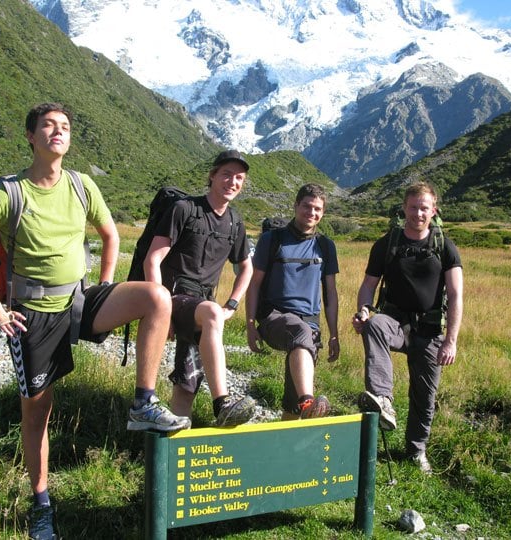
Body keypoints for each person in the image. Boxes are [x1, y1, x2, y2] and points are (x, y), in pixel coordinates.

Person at [0, 103, 189, 540]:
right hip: (30, 313)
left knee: (156, 297)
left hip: (78, 300)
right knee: (38, 411)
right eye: (49, 126)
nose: (58, 132)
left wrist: (107, 283)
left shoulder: (81, 184)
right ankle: (41, 504)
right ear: (31, 137)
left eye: (66, 127)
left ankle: (143, 403)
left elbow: (110, 232)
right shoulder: (7, 193)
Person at [351, 181, 463, 474]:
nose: (417, 213)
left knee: (424, 395)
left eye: (424, 208)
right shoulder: (388, 243)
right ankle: (383, 399)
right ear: (404, 208)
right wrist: (364, 310)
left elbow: (456, 295)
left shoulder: (445, 247)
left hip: (429, 331)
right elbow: (368, 286)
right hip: (395, 323)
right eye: (412, 207)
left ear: (433, 210)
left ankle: (416, 451)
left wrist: (451, 341)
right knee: (374, 325)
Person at [143, 150, 256, 426]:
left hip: (203, 310)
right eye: (226, 174)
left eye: (239, 177)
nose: (232, 181)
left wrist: (232, 304)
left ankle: (175, 448)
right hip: (176, 299)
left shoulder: (235, 222)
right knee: (212, 313)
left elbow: (247, 267)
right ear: (212, 175)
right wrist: (162, 311)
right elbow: (152, 259)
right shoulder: (184, 209)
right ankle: (223, 403)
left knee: (188, 380)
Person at [245, 184, 339, 420]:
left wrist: (334, 335)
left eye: (317, 208)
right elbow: (254, 284)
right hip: (275, 318)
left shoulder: (326, 246)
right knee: (299, 332)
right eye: (307, 206)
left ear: (323, 213)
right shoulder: (272, 239)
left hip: (311, 326)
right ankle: (309, 401)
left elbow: (330, 293)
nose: (312, 212)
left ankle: (286, 448)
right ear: (296, 206)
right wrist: (249, 326)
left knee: (292, 405)